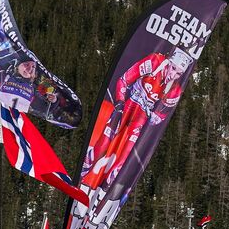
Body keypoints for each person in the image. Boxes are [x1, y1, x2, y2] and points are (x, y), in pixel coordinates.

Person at [82, 48, 192, 191]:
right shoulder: (154, 63)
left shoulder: (175, 90)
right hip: (128, 105)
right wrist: (120, 102)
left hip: (140, 118)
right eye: (173, 68)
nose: (173, 75)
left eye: (178, 73)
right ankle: (82, 173)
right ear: (169, 62)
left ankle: (103, 191)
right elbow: (123, 80)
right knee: (104, 142)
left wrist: (153, 116)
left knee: (125, 158)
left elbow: (161, 116)